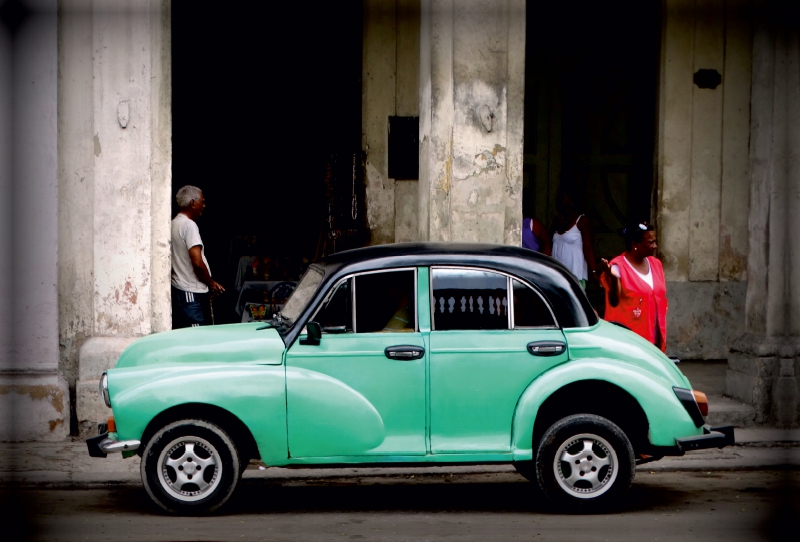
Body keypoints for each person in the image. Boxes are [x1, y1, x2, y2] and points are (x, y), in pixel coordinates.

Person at [597, 221, 668, 352]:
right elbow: (614, 301)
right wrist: (614, 278)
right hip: (629, 343)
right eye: (650, 242)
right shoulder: (618, 266)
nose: (655, 246)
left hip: (654, 341)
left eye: (655, 241)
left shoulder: (656, 264)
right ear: (635, 244)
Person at [171, 185, 225, 328]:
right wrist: (211, 282)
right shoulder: (189, 225)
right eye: (202, 201)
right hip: (190, 291)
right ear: (193, 203)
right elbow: (197, 262)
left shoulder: (173, 223)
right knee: (196, 336)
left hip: (182, 289)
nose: (204, 205)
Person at [550, 189, 596, 288]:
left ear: (572, 201)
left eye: (564, 199)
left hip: (575, 275)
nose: (561, 202)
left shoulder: (582, 221)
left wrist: (593, 271)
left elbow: (587, 247)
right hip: (557, 276)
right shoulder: (557, 221)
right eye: (560, 199)